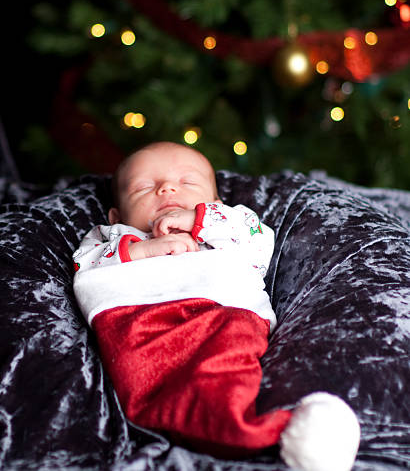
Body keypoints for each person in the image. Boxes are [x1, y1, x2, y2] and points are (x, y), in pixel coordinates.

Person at [73, 142, 360, 470]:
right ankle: (251, 433)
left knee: (221, 380)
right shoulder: (112, 235)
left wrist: (200, 219)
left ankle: (270, 433)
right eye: (143, 187)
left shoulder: (226, 227)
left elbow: (258, 241)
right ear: (117, 215)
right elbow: (86, 268)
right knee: (152, 391)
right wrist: (145, 250)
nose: (167, 188)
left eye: (188, 183)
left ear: (216, 203)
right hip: (140, 324)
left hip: (224, 317)